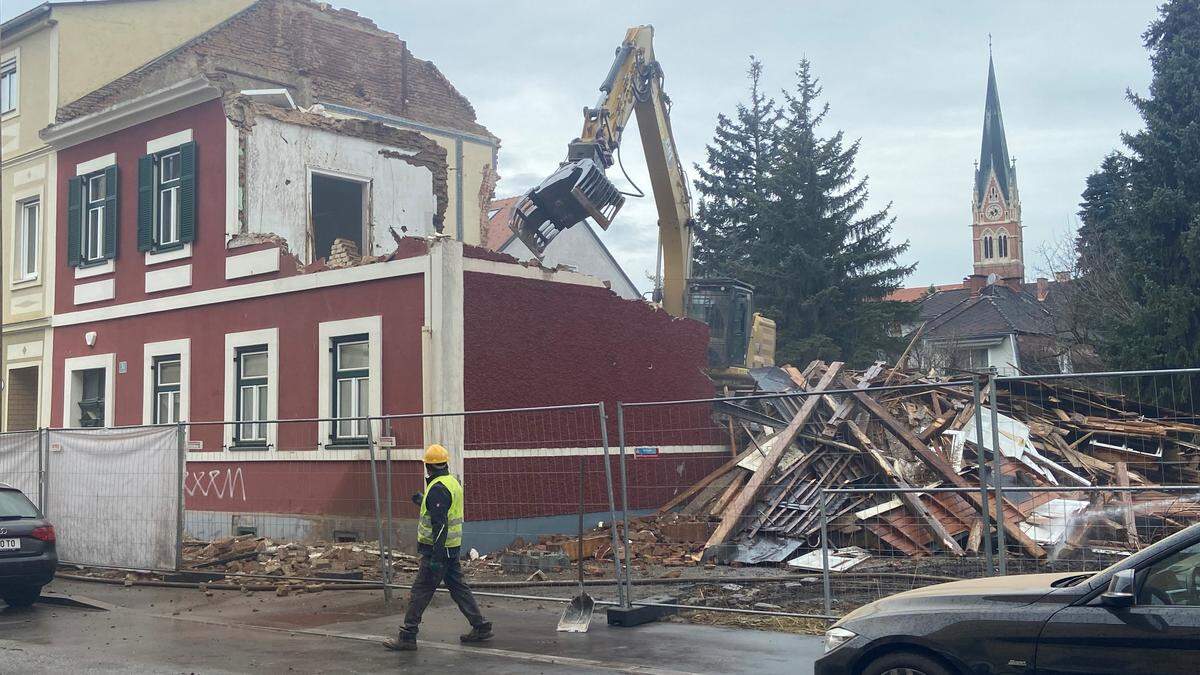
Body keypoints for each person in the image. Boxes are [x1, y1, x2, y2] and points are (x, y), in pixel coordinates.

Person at [384, 444, 492, 651]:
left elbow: (440, 524)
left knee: (421, 590)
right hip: (451, 548)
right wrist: (424, 501)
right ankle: (480, 626)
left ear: (428, 466)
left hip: (438, 550)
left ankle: (408, 635)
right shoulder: (451, 483)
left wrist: (435, 557)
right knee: (459, 588)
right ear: (445, 463)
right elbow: (444, 512)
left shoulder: (438, 488)